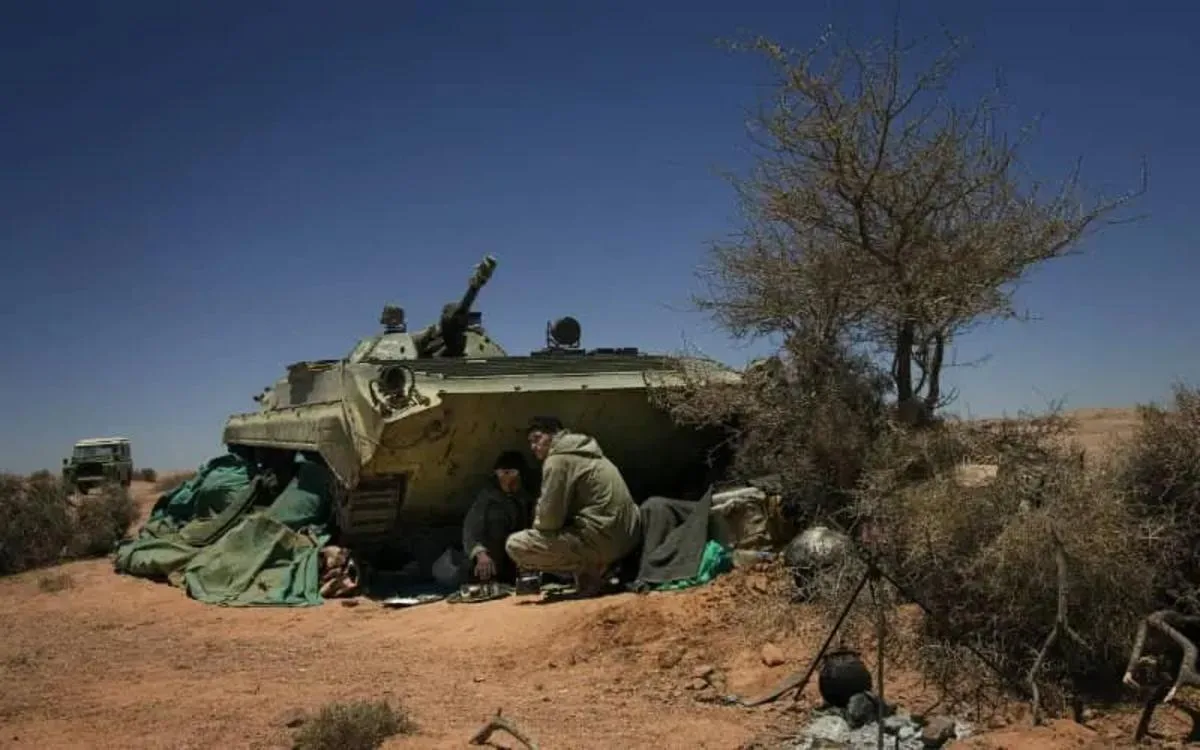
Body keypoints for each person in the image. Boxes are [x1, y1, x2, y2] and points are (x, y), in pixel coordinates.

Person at [505, 416, 642, 596]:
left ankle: (593, 571)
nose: (533, 446)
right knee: (574, 527)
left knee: (517, 545)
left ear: (554, 435)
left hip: (604, 542)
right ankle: (596, 573)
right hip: (630, 537)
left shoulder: (557, 460)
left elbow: (548, 521)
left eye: (537, 438)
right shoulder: (590, 452)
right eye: (530, 442)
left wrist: (537, 520)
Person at [460, 450, 535, 584]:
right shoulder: (488, 499)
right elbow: (470, 531)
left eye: (510, 473)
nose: (505, 478)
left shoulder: (528, 497)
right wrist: (480, 554)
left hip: (520, 560)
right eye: (501, 473)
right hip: (492, 561)